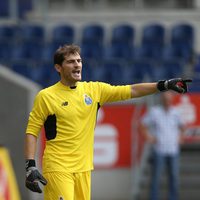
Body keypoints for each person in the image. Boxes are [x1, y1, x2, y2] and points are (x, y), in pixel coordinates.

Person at [24, 44, 191, 200]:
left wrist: (163, 85)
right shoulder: (46, 96)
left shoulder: (94, 90)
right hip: (58, 168)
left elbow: (131, 90)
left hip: (84, 168)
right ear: (58, 68)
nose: (77, 65)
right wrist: (30, 165)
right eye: (70, 62)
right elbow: (32, 130)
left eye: (79, 61)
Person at [140, 91, 186, 200]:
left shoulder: (176, 112)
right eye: (165, 99)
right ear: (161, 99)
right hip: (159, 150)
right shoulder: (154, 112)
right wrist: (149, 137)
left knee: (174, 178)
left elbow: (183, 127)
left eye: (169, 99)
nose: (167, 101)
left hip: (173, 150)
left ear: (172, 100)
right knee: (156, 178)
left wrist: (180, 138)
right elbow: (142, 125)